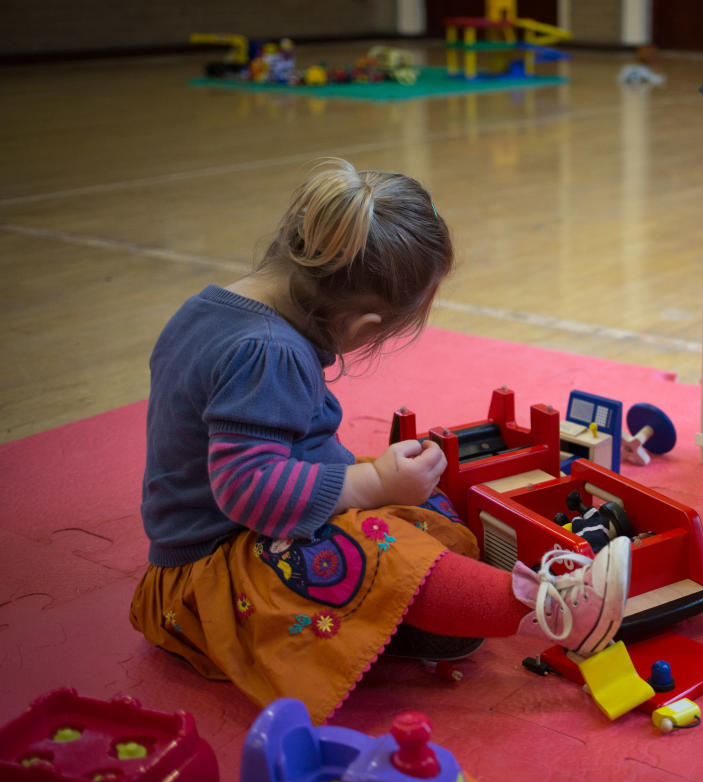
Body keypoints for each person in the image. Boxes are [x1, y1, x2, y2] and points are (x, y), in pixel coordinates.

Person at [129, 158, 630, 725]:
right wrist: (369, 483)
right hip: (211, 581)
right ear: (362, 326)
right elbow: (248, 492)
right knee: (378, 552)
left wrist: (380, 483)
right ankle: (557, 611)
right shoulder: (268, 352)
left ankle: (414, 618)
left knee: (410, 505)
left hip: (237, 535)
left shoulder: (212, 307)